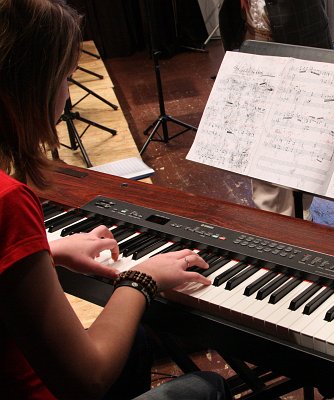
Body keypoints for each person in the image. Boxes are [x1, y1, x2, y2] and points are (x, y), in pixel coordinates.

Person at [0, 1, 229, 399]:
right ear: (33, 86)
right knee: (207, 387)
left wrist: (49, 251)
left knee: (134, 342)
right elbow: (86, 379)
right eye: (66, 78)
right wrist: (143, 278)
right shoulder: (9, 202)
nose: (67, 94)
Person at [219, 0, 333, 220]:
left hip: (300, 35)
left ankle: (299, 212)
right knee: (259, 135)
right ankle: (271, 218)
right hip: (253, 43)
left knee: (303, 132)